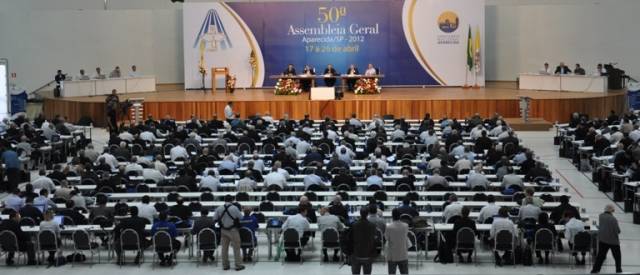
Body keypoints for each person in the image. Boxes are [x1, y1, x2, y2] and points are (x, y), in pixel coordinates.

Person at [212, 195, 245, 271]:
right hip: (233, 230)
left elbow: (215, 219)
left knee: (224, 248)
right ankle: (238, 265)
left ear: (224, 200)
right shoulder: (234, 208)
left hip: (223, 230)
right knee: (236, 248)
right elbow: (241, 218)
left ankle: (225, 265)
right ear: (232, 200)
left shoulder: (219, 208)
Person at [591, 204, 622, 273]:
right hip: (613, 241)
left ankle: (595, 269)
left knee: (600, 256)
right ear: (612, 210)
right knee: (617, 257)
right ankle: (618, 270)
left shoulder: (601, 216)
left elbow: (602, 226)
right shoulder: (613, 219)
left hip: (602, 240)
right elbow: (618, 231)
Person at [350, 208, 377, 275]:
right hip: (368, 253)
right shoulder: (372, 226)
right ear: (367, 214)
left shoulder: (354, 225)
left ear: (360, 214)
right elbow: (374, 239)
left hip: (356, 253)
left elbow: (350, 239)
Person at [385, 208, 409, 274]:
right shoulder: (406, 226)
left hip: (392, 255)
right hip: (403, 254)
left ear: (392, 216)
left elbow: (386, 238)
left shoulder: (389, 227)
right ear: (400, 216)